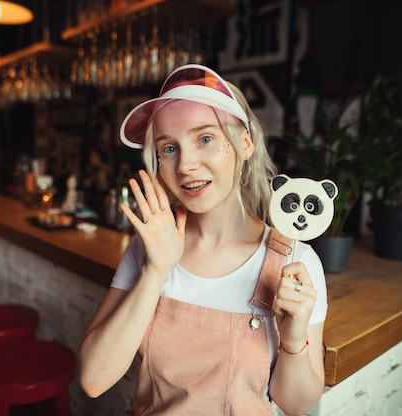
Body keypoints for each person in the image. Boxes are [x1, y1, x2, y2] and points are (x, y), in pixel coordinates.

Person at [78, 64, 327, 415]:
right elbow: (93, 378)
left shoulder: (294, 262)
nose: (185, 165)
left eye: (205, 139)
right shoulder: (148, 246)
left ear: (244, 143)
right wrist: (155, 271)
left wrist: (292, 338)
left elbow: (295, 404)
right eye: (168, 148)